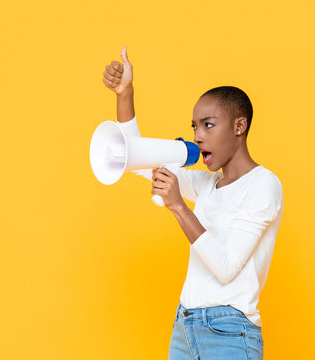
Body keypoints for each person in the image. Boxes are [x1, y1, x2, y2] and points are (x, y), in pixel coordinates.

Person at [102, 46, 283, 360]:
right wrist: (124, 93)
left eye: (208, 125)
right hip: (185, 327)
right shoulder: (209, 184)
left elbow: (226, 268)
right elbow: (136, 159)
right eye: (194, 127)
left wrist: (179, 206)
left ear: (239, 127)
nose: (198, 136)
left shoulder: (263, 184)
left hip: (228, 332)